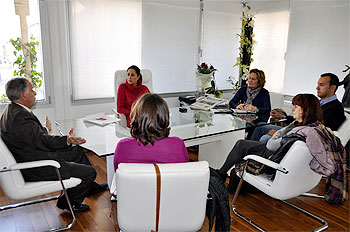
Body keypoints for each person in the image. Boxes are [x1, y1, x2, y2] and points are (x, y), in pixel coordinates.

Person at [0, 78, 107, 213]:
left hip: (33, 155)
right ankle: (68, 203)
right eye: (32, 90)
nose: (35, 93)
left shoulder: (11, 111)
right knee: (90, 172)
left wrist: (46, 131)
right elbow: (42, 142)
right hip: (38, 166)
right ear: (23, 95)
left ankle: (89, 187)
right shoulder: (21, 117)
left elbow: (32, 139)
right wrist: (67, 140)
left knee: (77, 152)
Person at [218, 94, 347, 205]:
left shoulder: (298, 131)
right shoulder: (313, 128)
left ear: (304, 110)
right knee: (243, 144)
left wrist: (279, 133)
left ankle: (221, 175)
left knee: (241, 145)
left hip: (271, 158)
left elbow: (271, 144)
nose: (293, 109)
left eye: (296, 106)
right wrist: (289, 127)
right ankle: (227, 176)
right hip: (284, 159)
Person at [251, 73, 346, 142]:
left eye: (321, 85)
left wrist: (280, 134)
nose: (317, 88)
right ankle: (251, 154)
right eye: (318, 84)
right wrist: (283, 117)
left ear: (332, 88)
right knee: (261, 126)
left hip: (299, 137)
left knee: (265, 138)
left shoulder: (335, 108)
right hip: (295, 130)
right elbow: (304, 119)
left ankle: (259, 162)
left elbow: (312, 131)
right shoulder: (319, 103)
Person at [114, 93, 189, 171]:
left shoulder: (123, 146)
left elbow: (118, 174)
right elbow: (183, 171)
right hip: (168, 183)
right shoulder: (178, 145)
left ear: (135, 117)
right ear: (165, 117)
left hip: (135, 183)